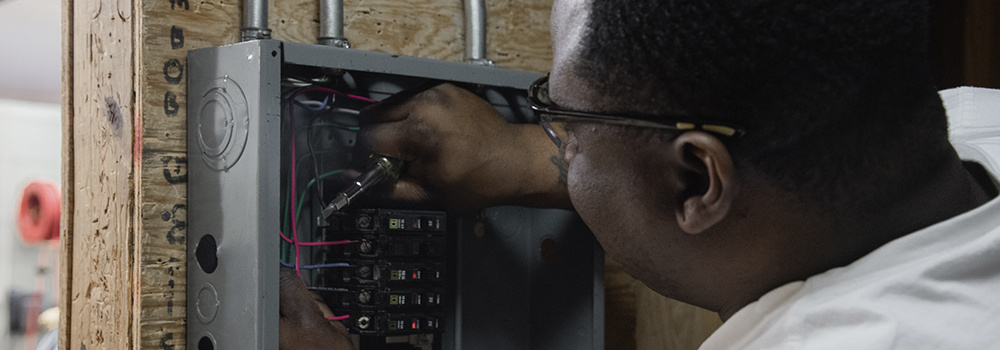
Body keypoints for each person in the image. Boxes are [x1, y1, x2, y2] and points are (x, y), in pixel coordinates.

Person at [280, 0, 1000, 348]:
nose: (554, 138)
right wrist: (524, 155)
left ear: (695, 182)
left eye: (563, 121)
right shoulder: (957, 125)